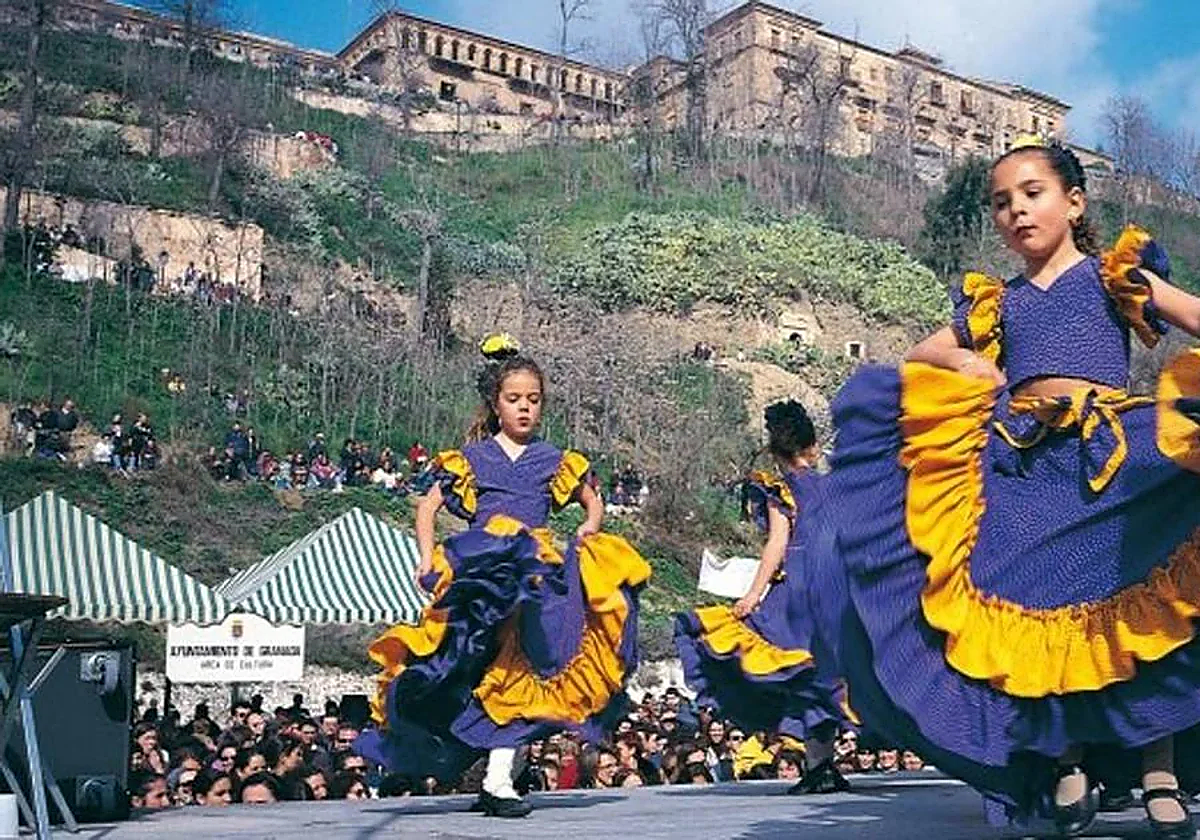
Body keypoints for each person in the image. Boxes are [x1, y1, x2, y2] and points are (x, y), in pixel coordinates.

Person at [805, 136, 1200, 838]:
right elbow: (920, 356)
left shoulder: (1115, 276)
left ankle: (1158, 766)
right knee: (1043, 608)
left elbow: (1190, 314)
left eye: (1032, 192)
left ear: (1074, 203)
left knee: (1135, 610)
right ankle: (1067, 755)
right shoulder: (999, 303)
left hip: (1111, 457)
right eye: (1000, 202)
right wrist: (969, 362)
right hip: (1025, 465)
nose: (1016, 210)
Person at [355, 334, 652, 818]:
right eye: (514, 399)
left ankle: (499, 780)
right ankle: (492, 776)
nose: (525, 409)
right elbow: (428, 508)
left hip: (533, 577)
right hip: (482, 573)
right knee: (467, 668)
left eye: (533, 400)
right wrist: (426, 558)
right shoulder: (472, 459)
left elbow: (592, 501)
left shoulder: (553, 459)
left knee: (525, 666)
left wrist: (587, 530)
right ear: (496, 405)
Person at [675, 399, 856, 795]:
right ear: (813, 447)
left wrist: (752, 597)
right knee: (822, 676)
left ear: (776, 451)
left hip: (795, 593)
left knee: (793, 673)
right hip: (835, 589)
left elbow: (776, 546)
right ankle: (822, 765)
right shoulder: (837, 489)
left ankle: (818, 766)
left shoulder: (781, 490)